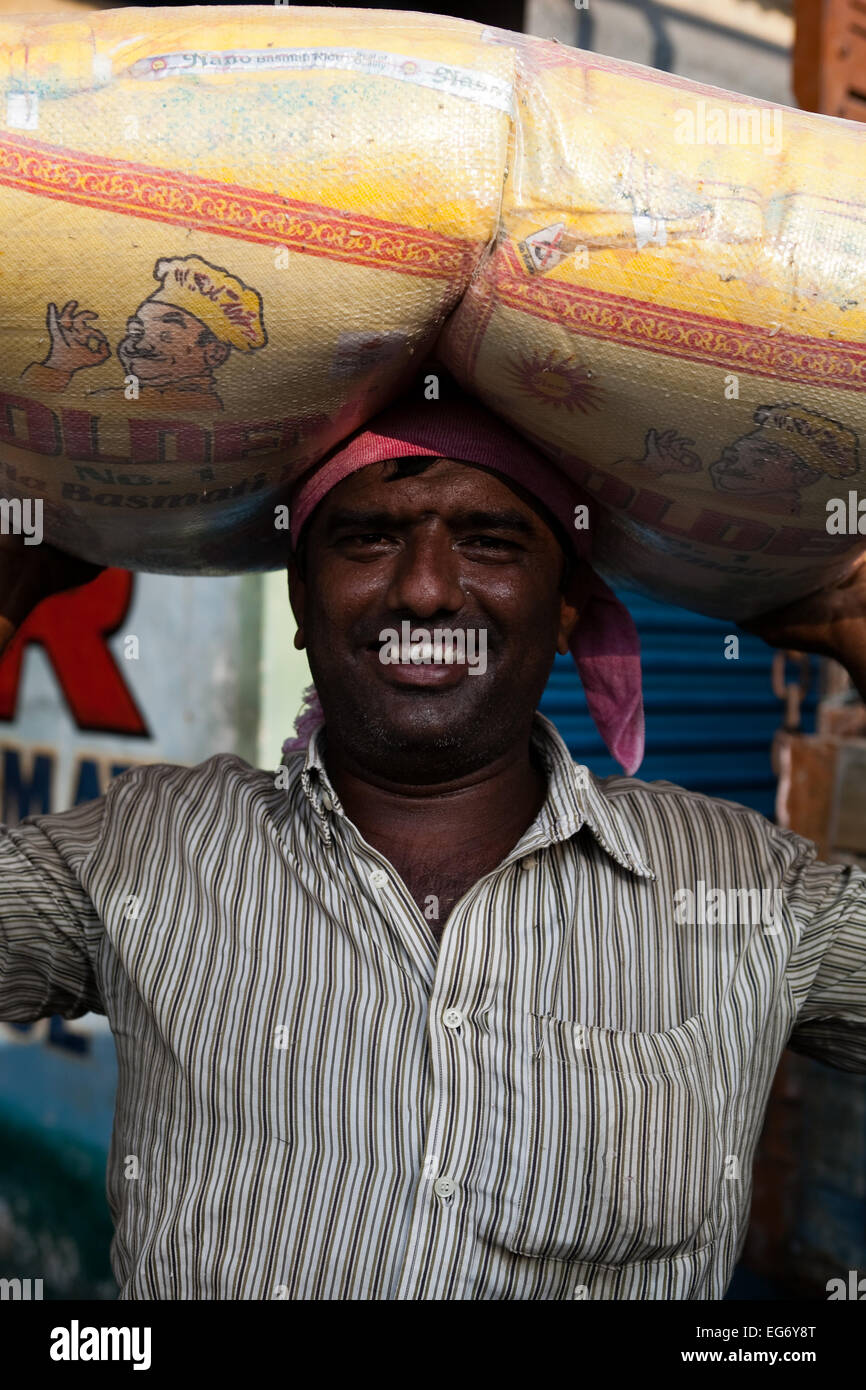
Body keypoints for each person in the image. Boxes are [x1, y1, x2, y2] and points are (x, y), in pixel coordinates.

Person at [1, 380, 865, 1301]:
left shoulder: (737, 885)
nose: (423, 589)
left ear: (567, 603)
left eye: (490, 541)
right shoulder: (152, 849)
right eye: (370, 538)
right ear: (300, 599)